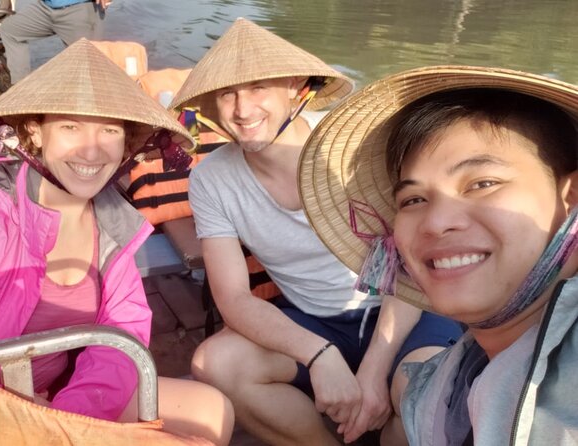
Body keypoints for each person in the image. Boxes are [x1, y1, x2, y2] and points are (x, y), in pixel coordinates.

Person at [0, 39, 233, 446]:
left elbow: (123, 330)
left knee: (211, 412)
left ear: (128, 144)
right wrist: (7, 417)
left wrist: (68, 420)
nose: (91, 149)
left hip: (59, 400)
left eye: (110, 130)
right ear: (35, 132)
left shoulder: (114, 222)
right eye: (70, 126)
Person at [170, 18, 463, 445]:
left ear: (293, 85)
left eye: (258, 88)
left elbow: (414, 265)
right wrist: (319, 354)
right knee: (217, 362)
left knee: (421, 400)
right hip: (316, 322)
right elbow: (232, 299)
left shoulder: (354, 147)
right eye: (227, 93)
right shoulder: (212, 179)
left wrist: (374, 370)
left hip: (406, 310)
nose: (242, 110)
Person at [298, 65, 578, 445]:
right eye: (413, 200)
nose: (435, 223)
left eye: (482, 183)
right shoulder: (458, 374)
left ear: (571, 197)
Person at [0, 0, 110, 84]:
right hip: (45, 8)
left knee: (89, 69)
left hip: (78, 8)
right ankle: (20, 90)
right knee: (10, 30)